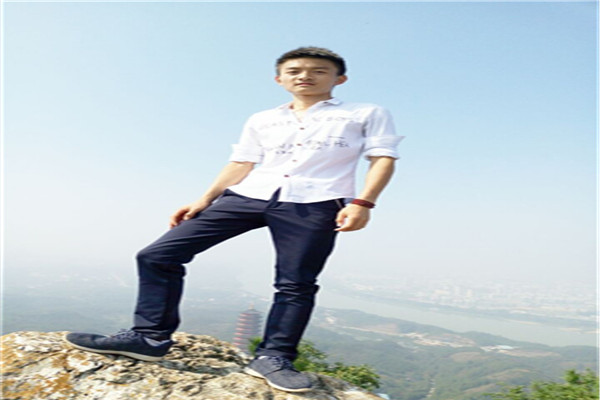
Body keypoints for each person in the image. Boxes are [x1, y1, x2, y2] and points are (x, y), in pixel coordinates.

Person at [65, 46, 404, 393]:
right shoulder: (262, 119)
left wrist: (363, 202)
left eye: (318, 70)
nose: (305, 76)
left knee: (295, 283)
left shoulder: (364, 113)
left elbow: (382, 158)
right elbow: (242, 162)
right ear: (279, 79)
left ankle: (273, 357)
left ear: (339, 79)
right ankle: (149, 337)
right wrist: (205, 198)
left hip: (315, 201)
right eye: (294, 71)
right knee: (157, 255)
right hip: (248, 195)